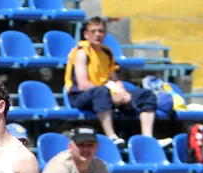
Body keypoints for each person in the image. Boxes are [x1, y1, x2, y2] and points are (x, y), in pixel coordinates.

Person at [65, 16, 167, 148]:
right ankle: (111, 136)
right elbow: (83, 84)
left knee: (146, 95)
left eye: (101, 31)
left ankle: (148, 138)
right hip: (80, 96)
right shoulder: (82, 53)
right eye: (93, 31)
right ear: (86, 34)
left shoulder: (107, 52)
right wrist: (112, 95)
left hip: (104, 94)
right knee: (102, 92)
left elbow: (115, 78)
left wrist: (123, 93)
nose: (97, 34)